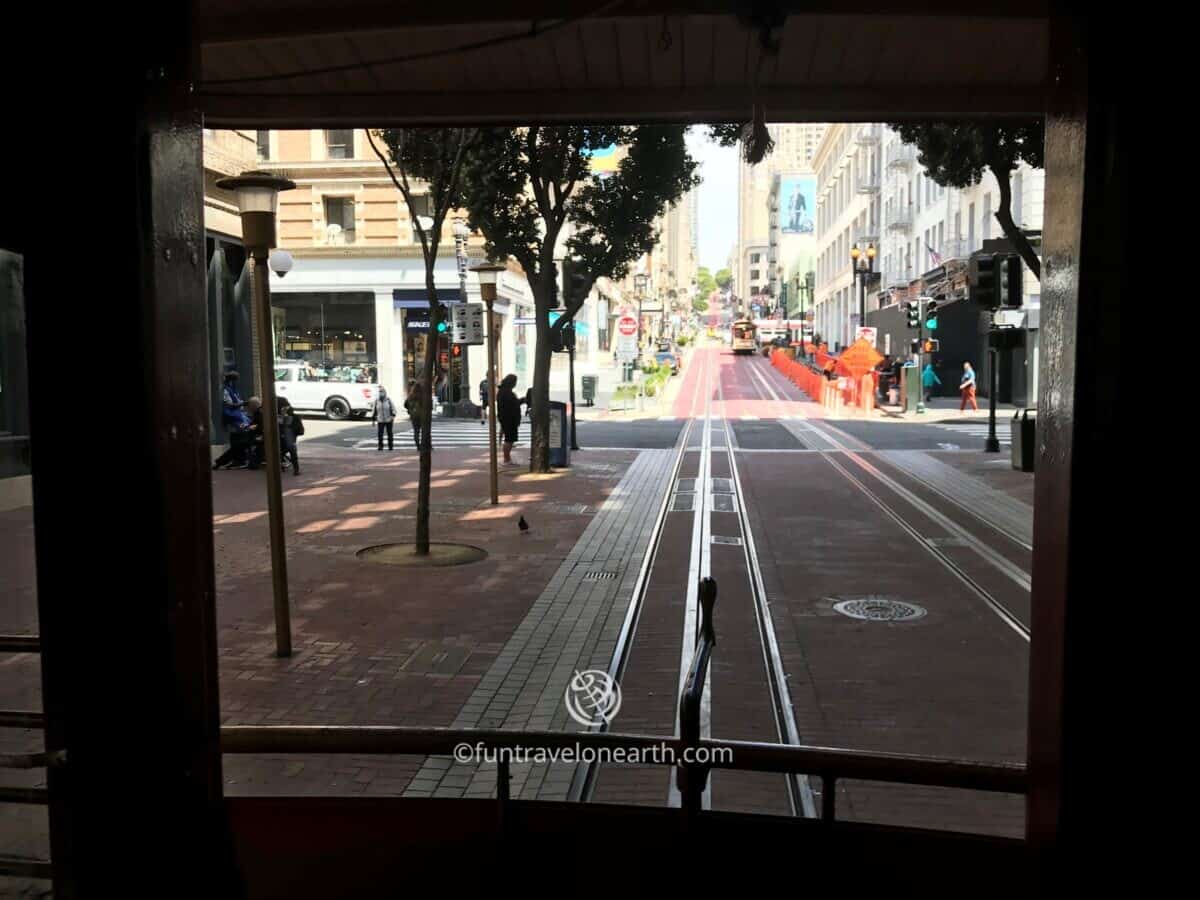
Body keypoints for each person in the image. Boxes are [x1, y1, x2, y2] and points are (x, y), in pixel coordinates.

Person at [496, 374, 522, 465]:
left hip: (507, 418)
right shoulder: (506, 393)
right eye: (515, 382)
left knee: (509, 439)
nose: (515, 384)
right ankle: (506, 459)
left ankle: (507, 458)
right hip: (509, 419)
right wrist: (520, 401)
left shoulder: (503, 391)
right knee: (509, 439)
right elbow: (511, 405)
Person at [278, 398, 304, 475]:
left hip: (287, 435)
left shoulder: (290, 416)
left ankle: (294, 468)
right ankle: (295, 468)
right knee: (291, 449)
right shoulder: (289, 414)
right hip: (287, 436)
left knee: (289, 448)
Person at [372, 386, 398, 451]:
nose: (381, 393)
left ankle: (390, 446)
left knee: (390, 433)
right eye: (380, 391)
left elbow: (394, 409)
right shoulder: (376, 401)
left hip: (389, 419)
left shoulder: (388, 400)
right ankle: (380, 446)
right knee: (380, 434)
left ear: (385, 392)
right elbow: (374, 410)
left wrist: (392, 416)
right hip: (380, 420)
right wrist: (373, 419)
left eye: (382, 391)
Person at [404, 381, 428, 450]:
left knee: (416, 431)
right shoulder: (422, 396)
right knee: (424, 430)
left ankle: (418, 445)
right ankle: (425, 444)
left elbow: (405, 404)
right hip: (422, 416)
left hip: (413, 416)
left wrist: (410, 410)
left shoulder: (410, 396)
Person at [243, 398, 265, 469]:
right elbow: (255, 423)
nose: (249, 408)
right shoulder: (257, 412)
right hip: (258, 434)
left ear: (254, 405)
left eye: (250, 406)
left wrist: (251, 427)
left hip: (260, 435)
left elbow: (261, 425)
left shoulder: (259, 412)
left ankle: (253, 463)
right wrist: (249, 426)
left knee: (243, 442)